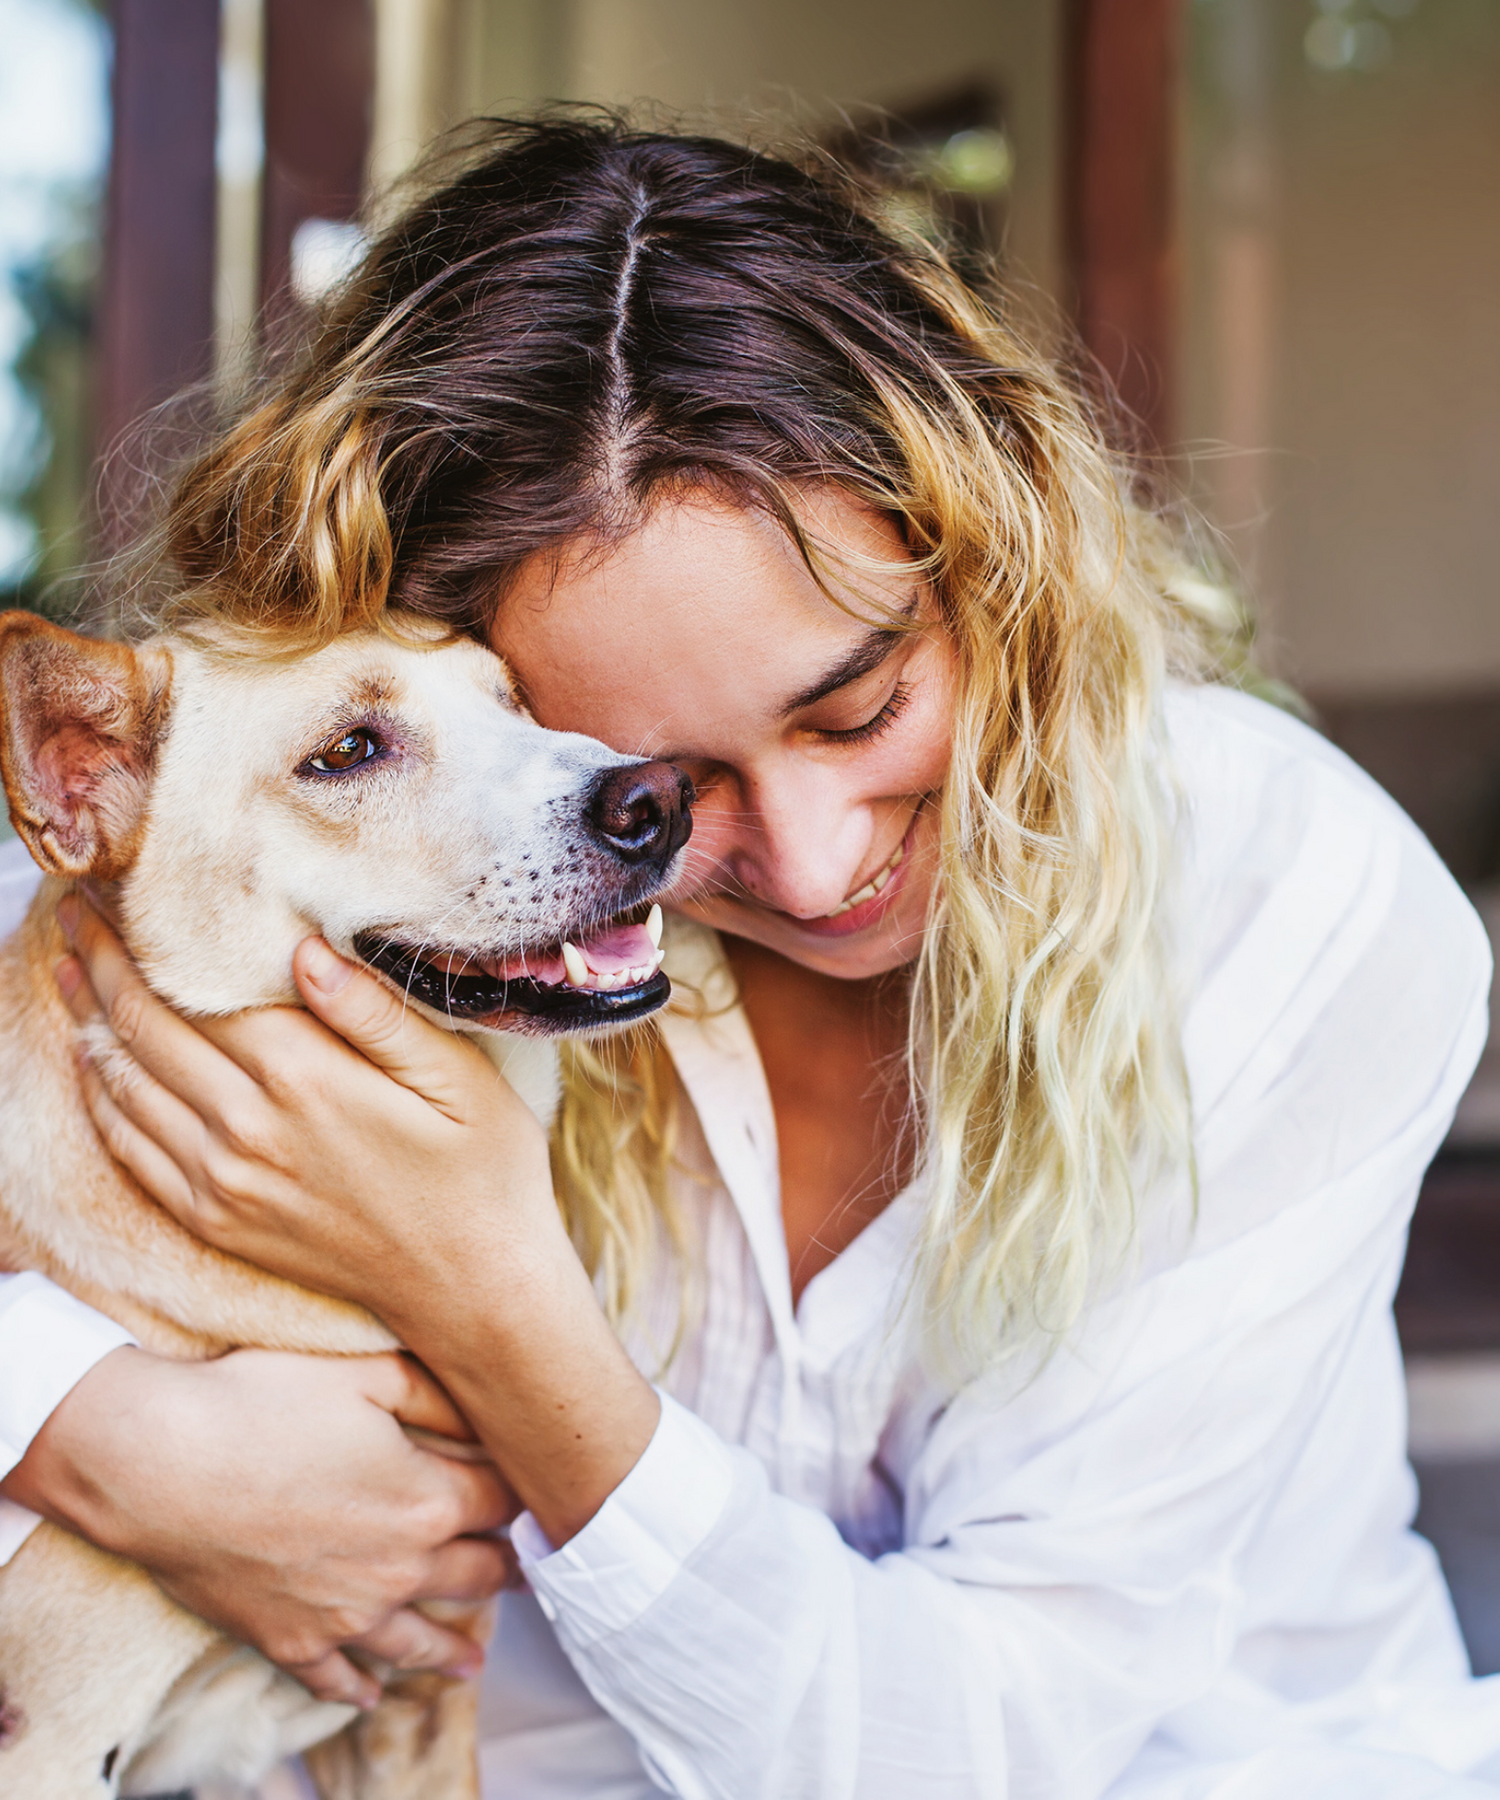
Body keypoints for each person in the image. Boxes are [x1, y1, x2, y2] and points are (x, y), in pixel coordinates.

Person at [1, 117, 1497, 1799]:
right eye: (653, 787)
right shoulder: (352, 868)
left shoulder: (1283, 894)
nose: (811, 860)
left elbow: (972, 1744)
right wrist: (93, 1427)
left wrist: (484, 1283)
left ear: (990, 553)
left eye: (857, 706)